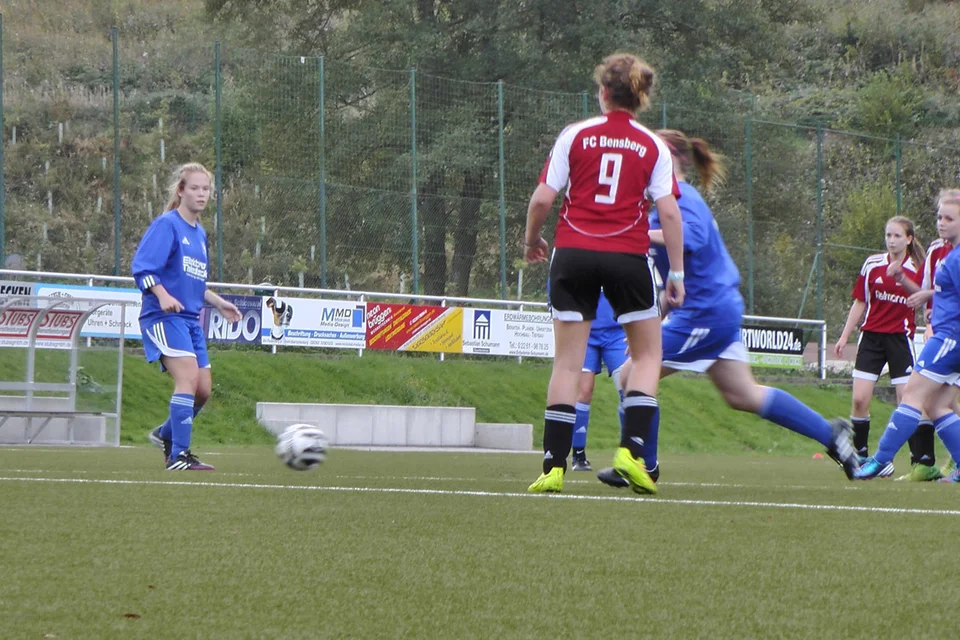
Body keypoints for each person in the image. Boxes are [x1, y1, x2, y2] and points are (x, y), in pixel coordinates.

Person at [596, 130, 859, 487]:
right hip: (714, 309)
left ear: (666, 160)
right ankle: (830, 434)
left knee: (631, 375)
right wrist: (653, 323)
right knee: (742, 394)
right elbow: (675, 284)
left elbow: (692, 237)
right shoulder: (666, 204)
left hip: (705, 313)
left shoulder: (680, 196)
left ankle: (642, 464)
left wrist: (636, 235)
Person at [524, 52, 685, 495]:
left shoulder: (575, 135)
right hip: (627, 257)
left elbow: (542, 199)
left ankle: (553, 466)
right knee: (648, 357)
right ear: (641, 98)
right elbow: (670, 214)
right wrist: (677, 274)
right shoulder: (652, 146)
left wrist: (532, 240)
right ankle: (631, 452)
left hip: (572, 253)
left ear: (602, 93)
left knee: (566, 363)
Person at [134, 162, 241, 471]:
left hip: (190, 320)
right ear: (181, 191)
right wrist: (162, 295)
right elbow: (142, 268)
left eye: (206, 188)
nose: (201, 194)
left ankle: (165, 434)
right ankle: (179, 455)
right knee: (187, 380)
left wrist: (219, 302)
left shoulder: (199, 234)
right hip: (162, 317)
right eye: (194, 188)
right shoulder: (167, 225)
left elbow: (193, 282)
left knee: (203, 390)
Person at [857, 190, 960, 482]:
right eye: (939, 217)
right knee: (936, 405)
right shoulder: (949, 254)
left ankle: (880, 460)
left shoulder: (957, 259)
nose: (941, 223)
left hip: (950, 339)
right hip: (950, 337)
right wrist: (926, 296)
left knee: (912, 395)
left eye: (949, 218)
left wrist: (937, 308)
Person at [833, 216, 930, 479]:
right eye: (888, 235)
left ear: (909, 239)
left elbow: (926, 302)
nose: (891, 240)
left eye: (897, 235)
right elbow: (860, 302)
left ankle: (919, 461)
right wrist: (844, 336)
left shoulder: (917, 268)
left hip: (900, 339)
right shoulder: (872, 265)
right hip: (872, 339)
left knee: (907, 401)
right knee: (859, 399)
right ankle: (862, 457)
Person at [570, 290, 628, 472]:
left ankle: (630, 453)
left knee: (628, 390)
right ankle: (578, 454)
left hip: (617, 333)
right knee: (584, 392)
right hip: (584, 331)